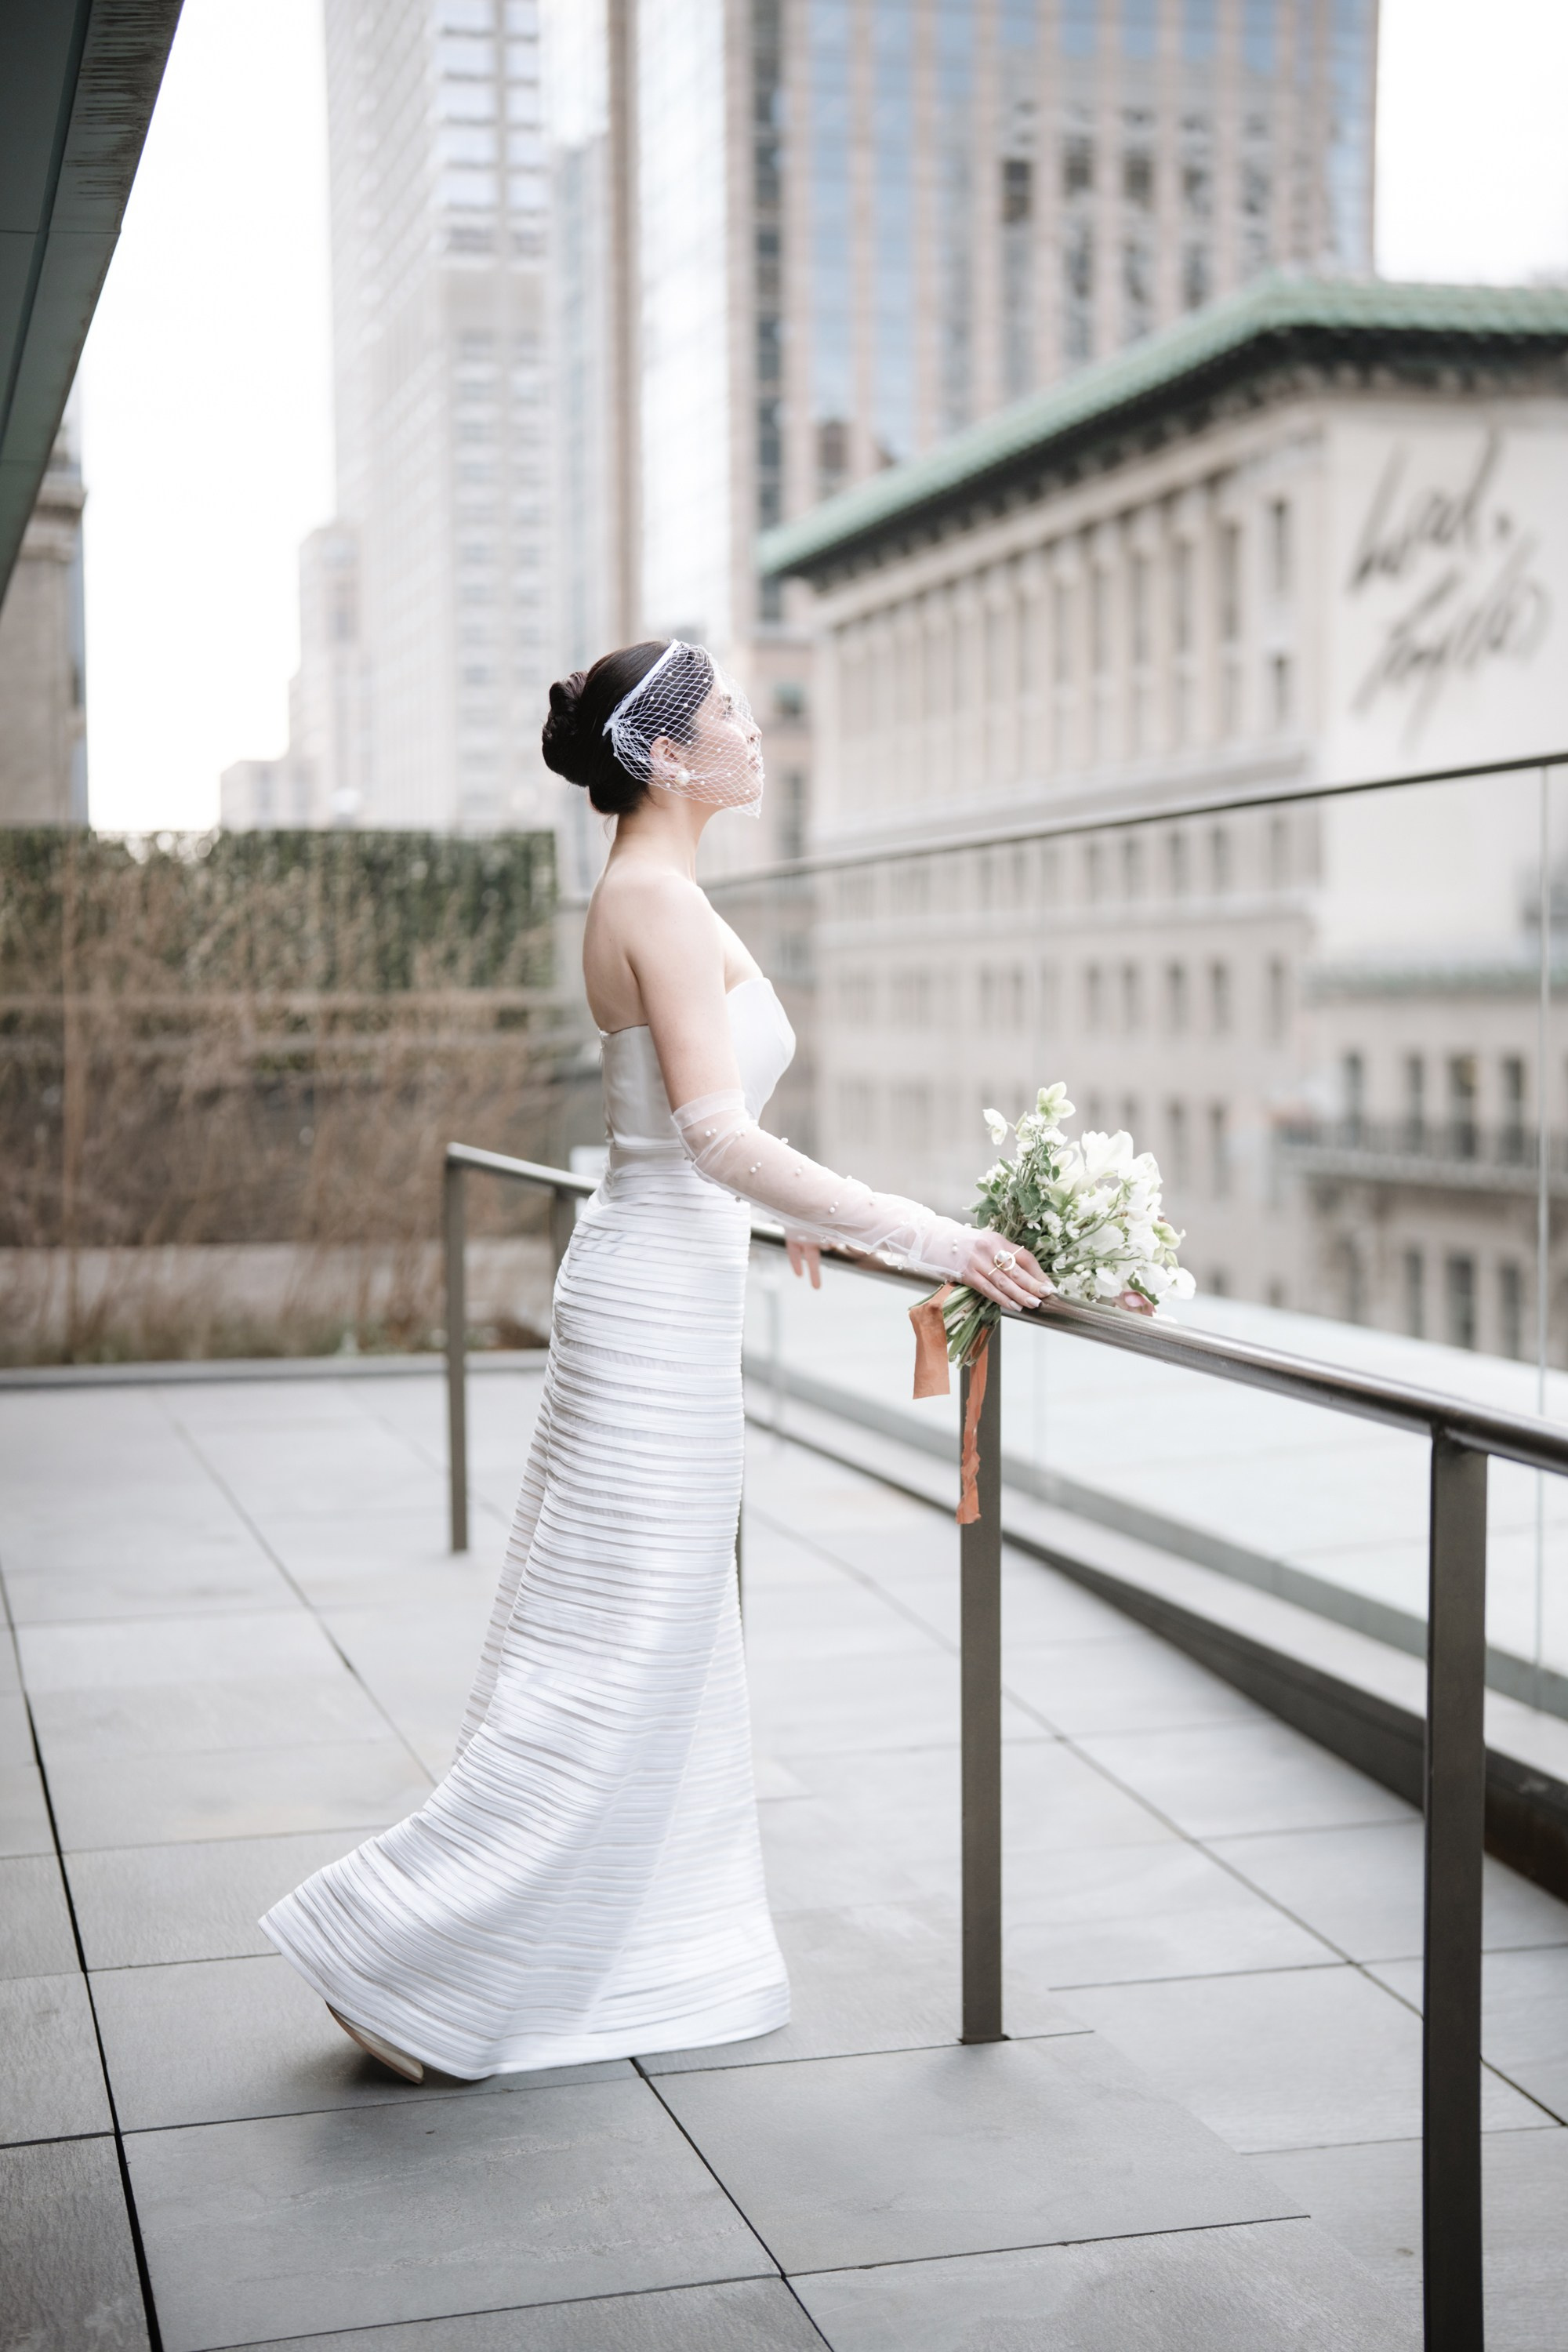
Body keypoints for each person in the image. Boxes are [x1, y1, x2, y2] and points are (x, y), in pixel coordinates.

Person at [260, 639, 1051, 2082]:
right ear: (670, 755)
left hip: (667, 1288)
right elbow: (709, 1135)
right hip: (648, 1310)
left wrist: (789, 1222)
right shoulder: (654, 899)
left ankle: (507, 1956)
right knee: (611, 1650)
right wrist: (934, 1238)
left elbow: (685, 1135)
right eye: (732, 713)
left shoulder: (655, 891)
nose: (754, 730)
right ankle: (408, 1955)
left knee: (641, 1642)